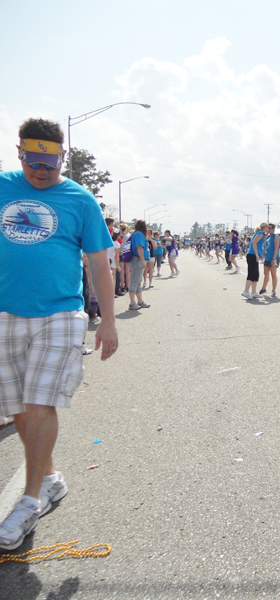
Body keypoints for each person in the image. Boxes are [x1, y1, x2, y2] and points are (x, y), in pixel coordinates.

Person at [0, 118, 118, 551]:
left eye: (49, 164)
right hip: (6, 313)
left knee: (39, 401)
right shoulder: (2, 186)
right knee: (17, 408)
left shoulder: (79, 199)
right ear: (19, 154)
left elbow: (99, 263)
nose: (41, 172)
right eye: (34, 163)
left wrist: (107, 320)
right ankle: (49, 478)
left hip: (60, 313)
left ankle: (28, 500)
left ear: (61, 158)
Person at [128, 220, 151, 310]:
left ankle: (140, 301)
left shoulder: (137, 234)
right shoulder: (138, 234)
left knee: (138, 281)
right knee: (134, 281)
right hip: (137, 259)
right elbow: (139, 247)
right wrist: (142, 260)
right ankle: (132, 302)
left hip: (138, 259)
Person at [243, 223, 268, 299]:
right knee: (251, 273)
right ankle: (246, 291)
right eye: (268, 227)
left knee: (256, 274)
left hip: (255, 255)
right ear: (265, 227)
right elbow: (254, 242)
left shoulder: (262, 234)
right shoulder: (260, 233)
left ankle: (254, 292)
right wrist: (257, 255)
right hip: (252, 254)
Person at [261, 224, 279, 297]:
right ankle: (263, 288)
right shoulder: (268, 237)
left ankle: (273, 290)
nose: (269, 229)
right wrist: (263, 254)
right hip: (267, 257)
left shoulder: (275, 237)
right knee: (266, 273)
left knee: (273, 274)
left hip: (273, 258)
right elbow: (265, 246)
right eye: (268, 228)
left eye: (270, 228)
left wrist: (274, 258)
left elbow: (276, 248)